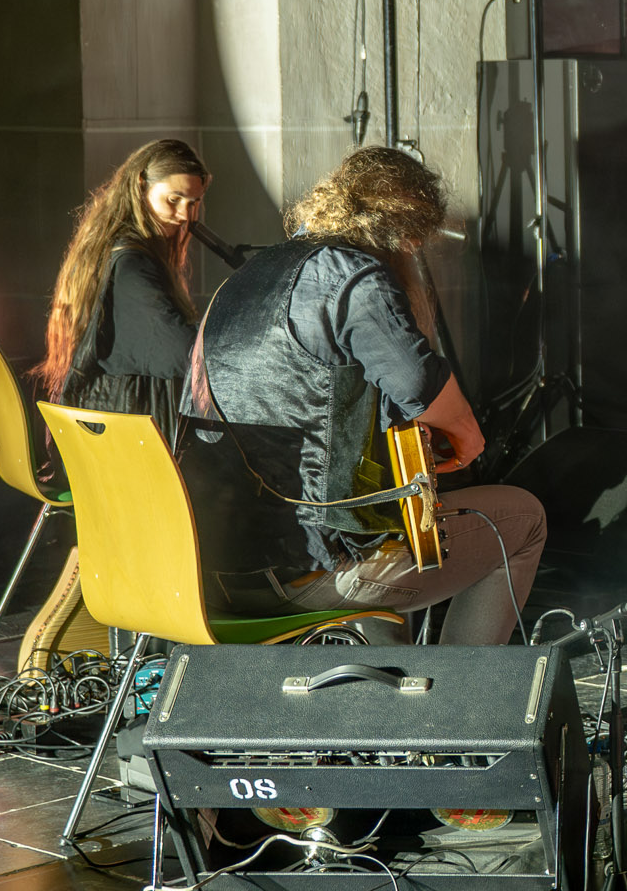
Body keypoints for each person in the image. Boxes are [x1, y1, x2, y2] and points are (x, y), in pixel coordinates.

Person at [181, 147, 546, 645]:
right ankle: (460, 708)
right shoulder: (351, 275)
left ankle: (384, 696)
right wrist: (467, 439)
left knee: (377, 518)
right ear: (406, 232)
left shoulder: (245, 278)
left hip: (210, 569)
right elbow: (420, 386)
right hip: (306, 569)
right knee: (523, 518)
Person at [39, 139, 211, 430]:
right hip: (122, 428)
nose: (183, 215)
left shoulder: (114, 246)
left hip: (106, 418)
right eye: (173, 199)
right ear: (141, 186)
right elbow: (181, 353)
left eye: (192, 204)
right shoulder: (132, 264)